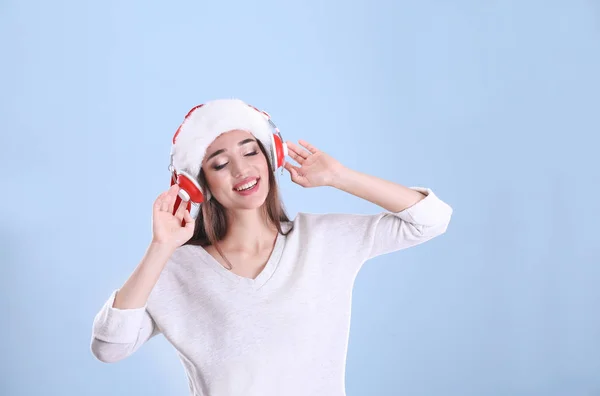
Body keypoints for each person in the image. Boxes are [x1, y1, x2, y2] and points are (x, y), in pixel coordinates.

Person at [90, 99, 453, 396]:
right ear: (200, 185)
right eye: (220, 164)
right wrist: (160, 247)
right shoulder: (175, 269)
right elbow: (110, 347)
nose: (241, 170)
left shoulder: (323, 240)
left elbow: (432, 219)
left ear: (270, 157)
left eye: (251, 152)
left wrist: (339, 177)